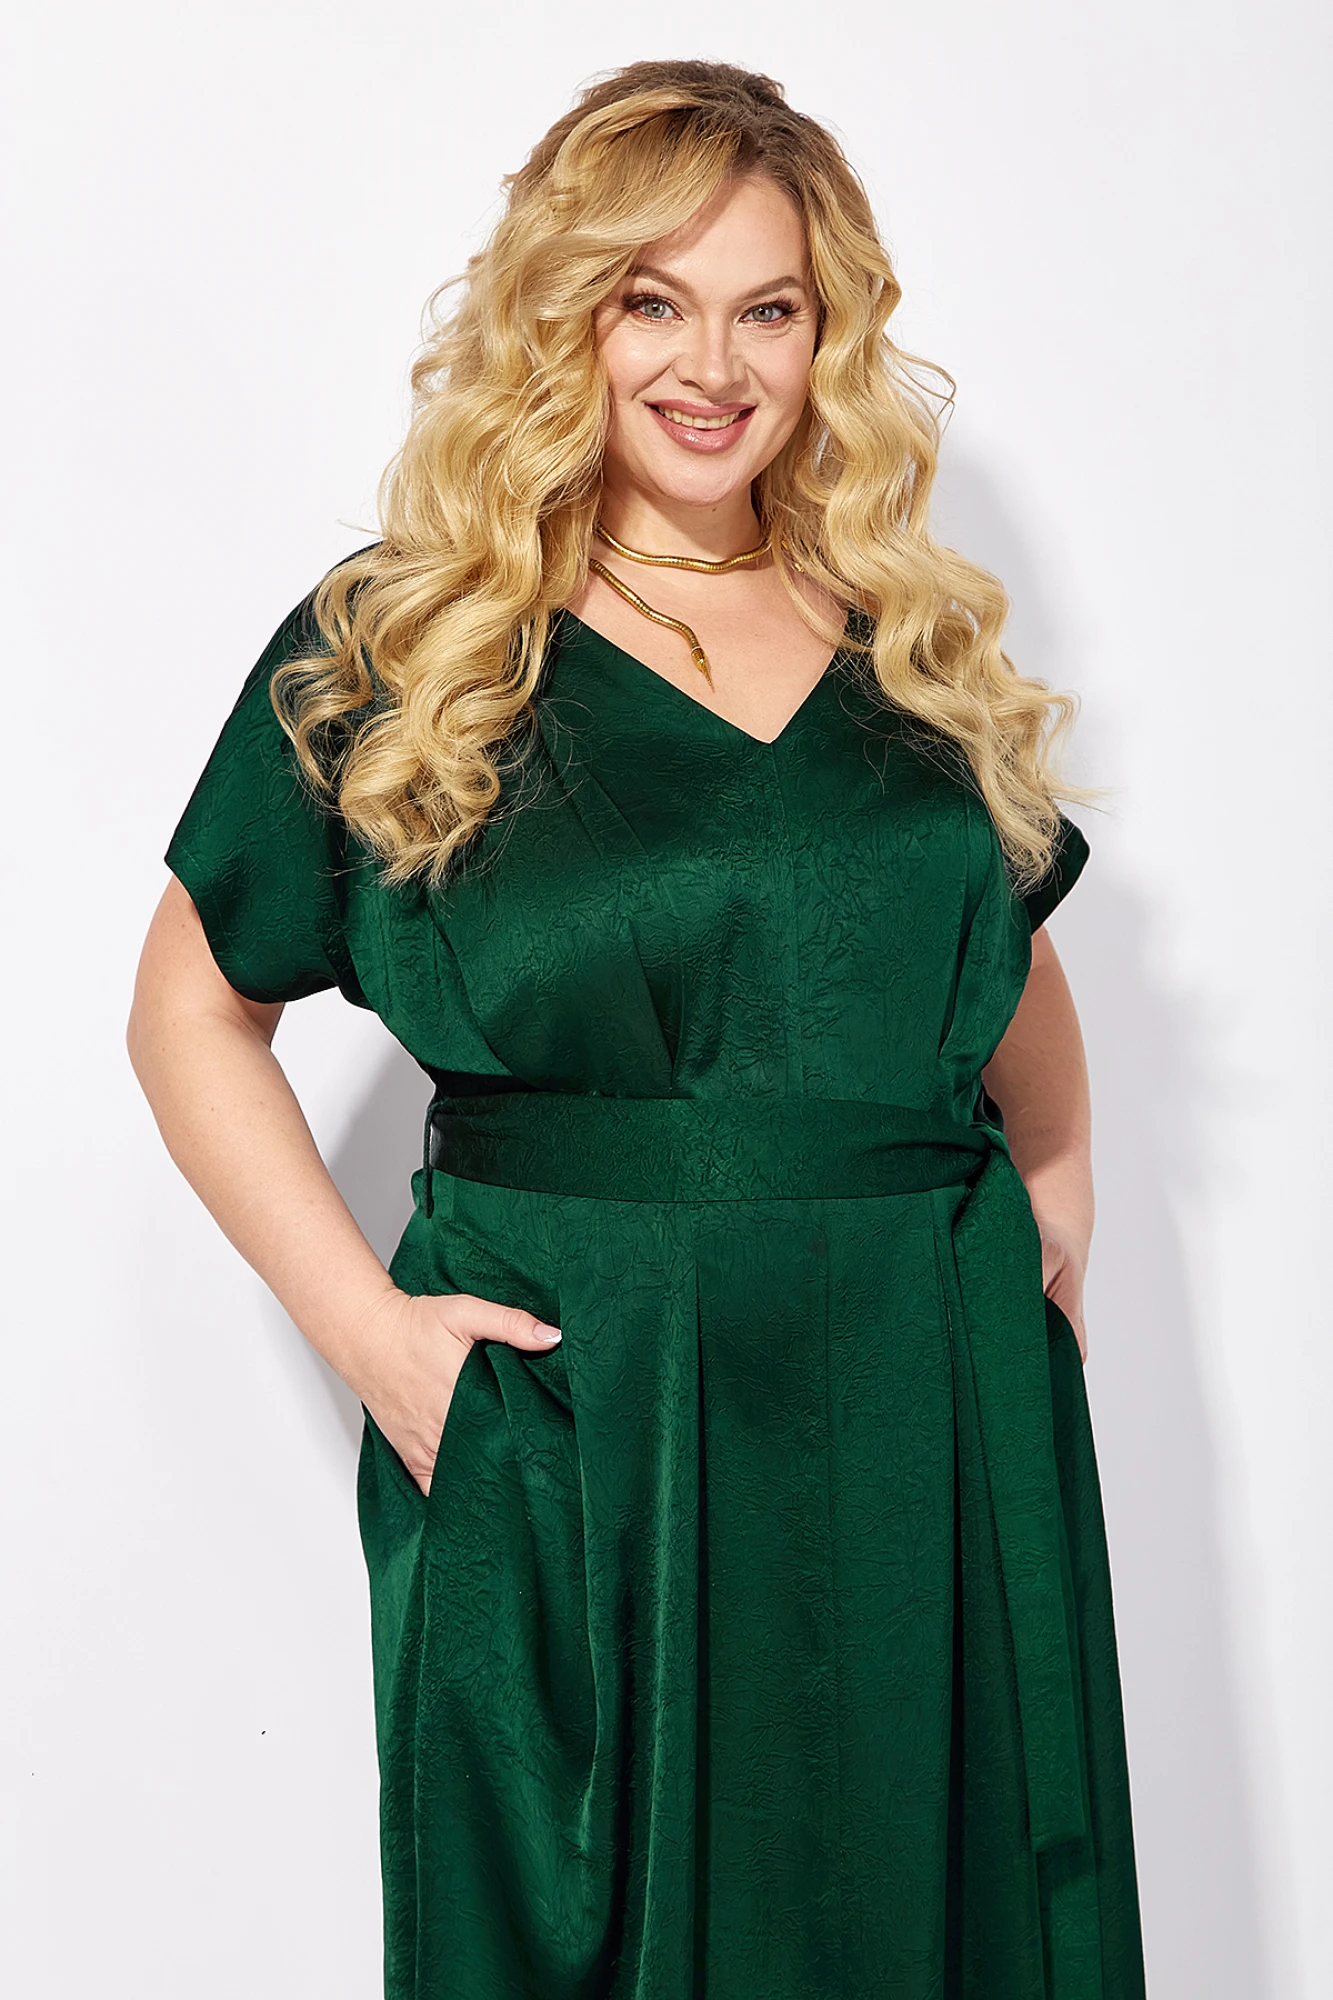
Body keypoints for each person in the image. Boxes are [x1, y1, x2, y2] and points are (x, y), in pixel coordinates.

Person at [127, 57, 1147, 2000]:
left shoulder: (903, 633)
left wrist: (1056, 1203)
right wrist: (374, 1341)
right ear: (564, 314)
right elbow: (189, 1006)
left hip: (922, 1402)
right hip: (581, 1416)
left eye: (770, 309)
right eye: (653, 301)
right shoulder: (413, 637)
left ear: (828, 338)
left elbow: (992, 955)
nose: (714, 366)